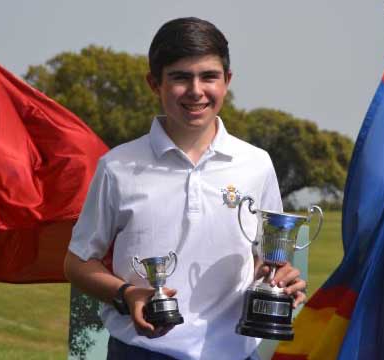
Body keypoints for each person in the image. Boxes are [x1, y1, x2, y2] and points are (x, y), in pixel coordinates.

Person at [64, 17, 306, 360]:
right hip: (141, 350)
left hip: (235, 352)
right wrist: (127, 294)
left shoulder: (257, 163)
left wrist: (279, 281)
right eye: (180, 77)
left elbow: (265, 258)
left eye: (209, 76)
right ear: (154, 83)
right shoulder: (117, 166)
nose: (196, 91)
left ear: (227, 81)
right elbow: (76, 263)